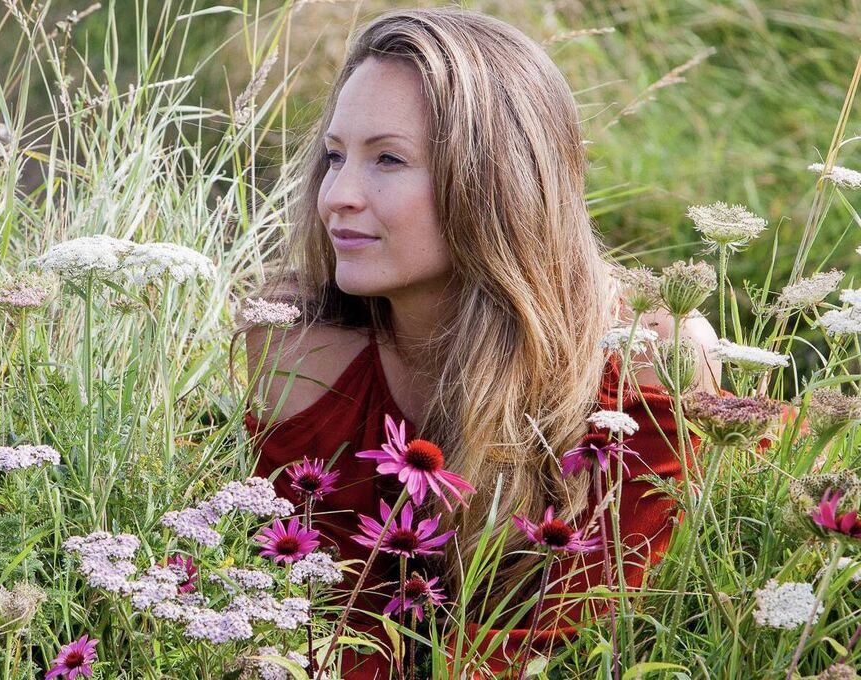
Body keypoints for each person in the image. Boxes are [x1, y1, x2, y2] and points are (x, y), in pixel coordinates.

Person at [231, 7, 723, 679]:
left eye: (388, 159)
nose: (337, 194)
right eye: (336, 156)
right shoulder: (299, 349)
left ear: (499, 181)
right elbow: (321, 627)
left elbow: (589, 632)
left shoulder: (648, 357)